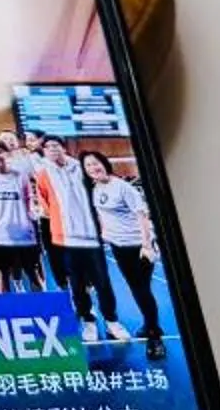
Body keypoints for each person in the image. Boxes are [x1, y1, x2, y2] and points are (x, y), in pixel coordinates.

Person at [29, 137, 128, 342]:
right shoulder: (42, 175)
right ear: (44, 152)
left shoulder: (81, 167)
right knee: (77, 284)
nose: (52, 150)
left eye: (56, 146)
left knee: (103, 283)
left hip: (92, 237)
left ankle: (112, 322)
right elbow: (46, 205)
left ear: (63, 148)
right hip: (66, 240)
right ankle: (88, 321)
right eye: (47, 147)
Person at [87, 151, 166, 359]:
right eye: (88, 166)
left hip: (137, 245)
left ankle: (155, 337)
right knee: (136, 288)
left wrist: (147, 245)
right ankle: (150, 324)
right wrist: (105, 233)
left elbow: (142, 216)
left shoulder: (123, 187)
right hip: (118, 246)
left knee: (142, 290)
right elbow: (101, 213)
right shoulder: (96, 189)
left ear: (104, 164)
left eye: (96, 164)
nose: (94, 168)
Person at [0, 137, 43, 291]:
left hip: (24, 234)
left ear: (7, 154)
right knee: (3, 274)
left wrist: (30, 216)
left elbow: (30, 201)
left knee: (33, 273)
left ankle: (42, 308)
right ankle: (7, 311)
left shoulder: (20, 176)